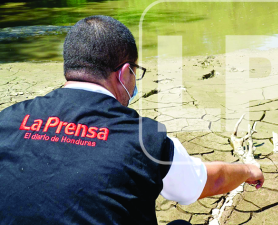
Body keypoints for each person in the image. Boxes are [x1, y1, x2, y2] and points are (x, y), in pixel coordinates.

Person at [0, 15, 264, 224]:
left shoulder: (7, 120)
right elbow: (208, 182)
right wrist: (248, 170)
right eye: (136, 71)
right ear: (125, 72)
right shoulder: (146, 140)